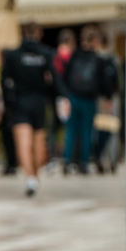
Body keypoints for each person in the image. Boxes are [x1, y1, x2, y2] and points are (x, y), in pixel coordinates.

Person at [0, 22, 59, 197]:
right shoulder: (45, 53)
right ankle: (35, 177)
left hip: (20, 101)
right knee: (39, 143)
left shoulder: (13, 55)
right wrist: (58, 97)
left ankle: (30, 178)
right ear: (39, 33)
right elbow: (54, 79)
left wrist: (8, 101)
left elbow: (4, 80)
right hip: (39, 102)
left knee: (23, 143)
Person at [62, 25, 106, 175]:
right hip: (89, 99)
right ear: (94, 40)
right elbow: (102, 81)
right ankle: (84, 163)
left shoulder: (75, 55)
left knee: (71, 130)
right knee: (87, 132)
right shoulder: (97, 58)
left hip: (73, 96)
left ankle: (67, 161)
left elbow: (66, 75)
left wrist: (66, 94)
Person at [91, 29, 122, 174]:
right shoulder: (114, 59)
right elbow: (119, 82)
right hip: (113, 98)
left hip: (100, 99)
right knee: (112, 130)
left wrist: (104, 98)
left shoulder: (96, 59)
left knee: (100, 129)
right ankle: (113, 160)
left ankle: (101, 158)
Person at [46, 28, 76, 169]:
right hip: (69, 95)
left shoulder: (53, 56)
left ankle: (53, 156)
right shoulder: (71, 57)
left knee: (53, 128)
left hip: (54, 96)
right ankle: (67, 157)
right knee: (69, 128)